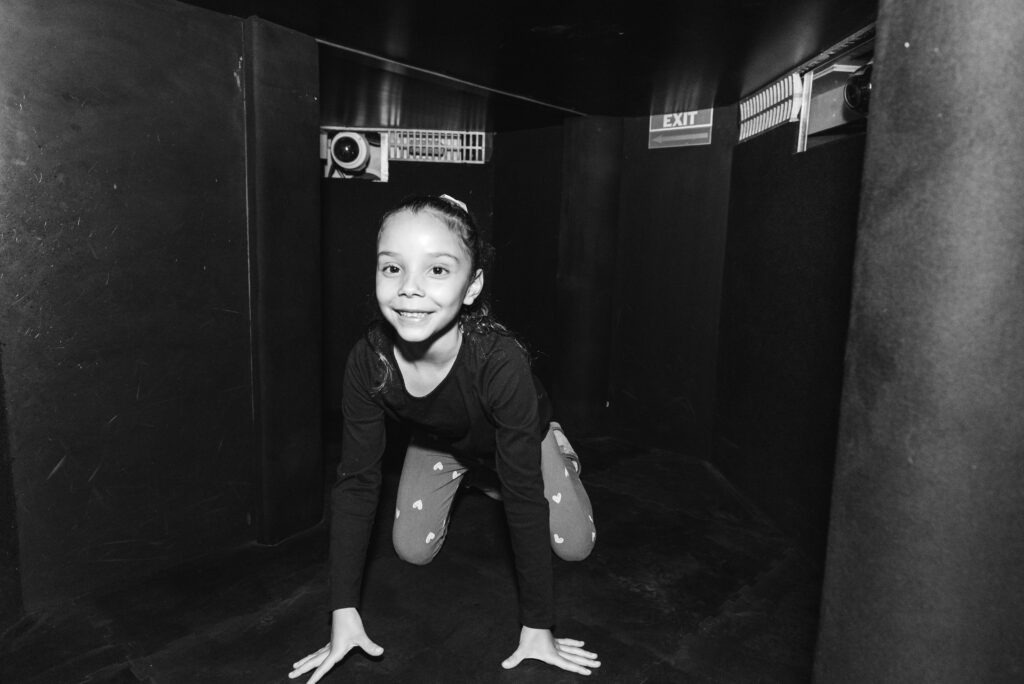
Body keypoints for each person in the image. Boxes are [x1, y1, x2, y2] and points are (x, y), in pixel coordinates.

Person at [289, 194, 600, 682]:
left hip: (517, 442)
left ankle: (556, 447)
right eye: (392, 268)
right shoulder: (369, 361)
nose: (409, 288)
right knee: (413, 549)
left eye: (437, 270)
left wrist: (539, 627)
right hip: (444, 442)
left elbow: (522, 495)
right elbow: (356, 485)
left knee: (575, 545)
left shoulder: (500, 362)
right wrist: (342, 614)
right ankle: (475, 475)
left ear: (472, 285)